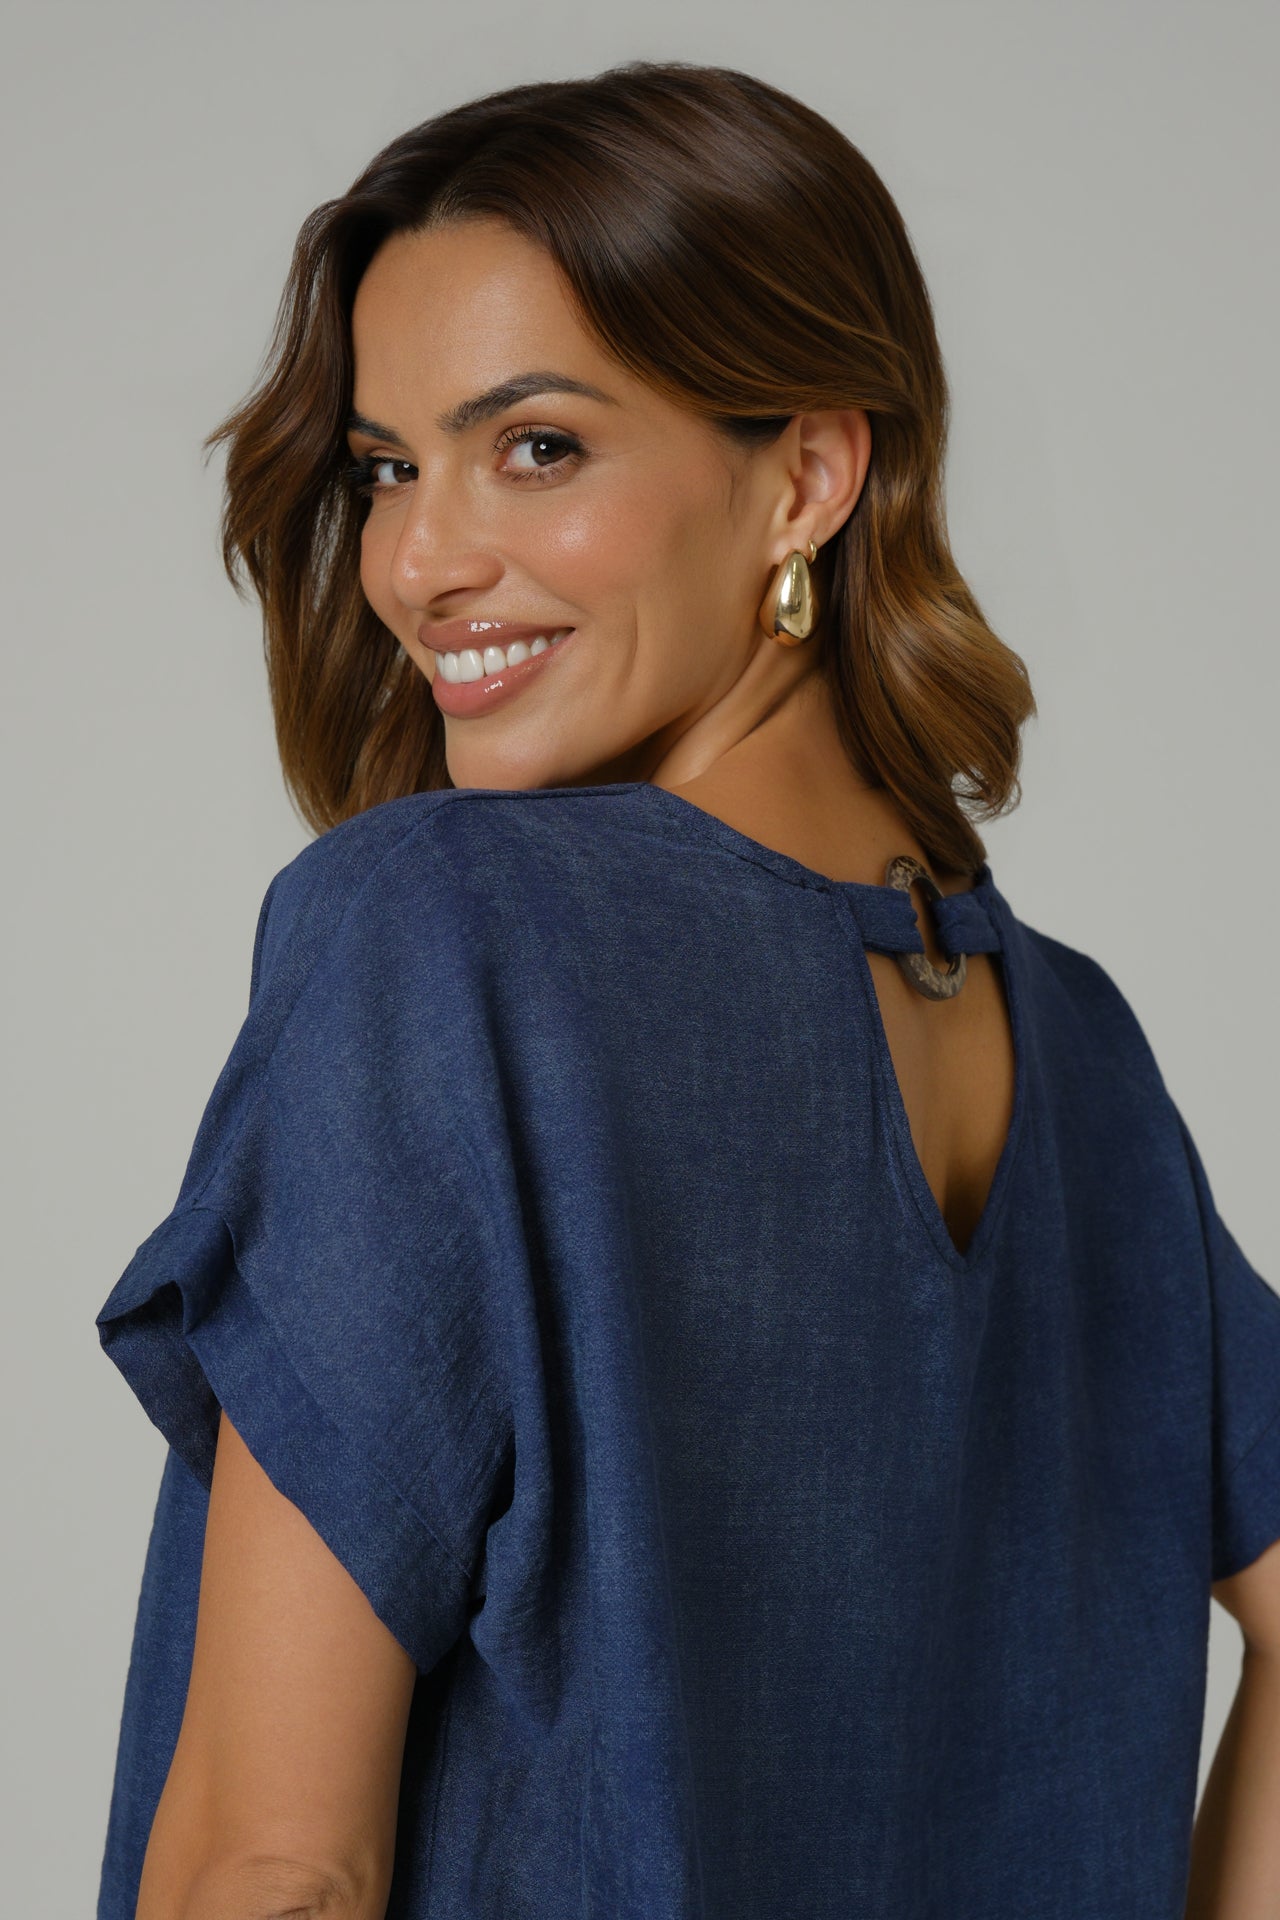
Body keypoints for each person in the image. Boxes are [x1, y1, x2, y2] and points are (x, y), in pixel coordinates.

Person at [93, 61, 1280, 1920]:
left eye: (535, 447)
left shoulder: (445, 940)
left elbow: (276, 1864)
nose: (417, 563)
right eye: (389, 469)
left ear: (806, 475)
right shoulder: (1081, 1048)